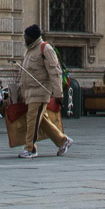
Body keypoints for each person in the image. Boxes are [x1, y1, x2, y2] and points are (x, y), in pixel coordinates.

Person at [16, 25, 72, 158]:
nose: (25, 38)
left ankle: (30, 149)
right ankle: (62, 140)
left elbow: (55, 72)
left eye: (26, 36)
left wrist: (58, 94)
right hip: (30, 93)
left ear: (32, 37)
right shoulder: (29, 51)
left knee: (32, 120)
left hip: (41, 92)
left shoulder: (45, 49)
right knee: (41, 120)